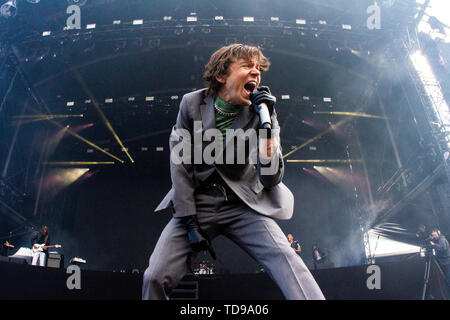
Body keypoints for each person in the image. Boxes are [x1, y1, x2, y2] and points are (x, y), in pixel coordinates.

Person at [142, 44, 324, 300]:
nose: (256, 73)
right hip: (198, 203)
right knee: (154, 277)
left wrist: (267, 127)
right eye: (247, 67)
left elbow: (271, 178)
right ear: (221, 76)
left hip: (244, 203)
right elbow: (180, 166)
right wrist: (190, 221)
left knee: (288, 262)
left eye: (258, 69)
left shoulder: (263, 113)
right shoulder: (192, 104)